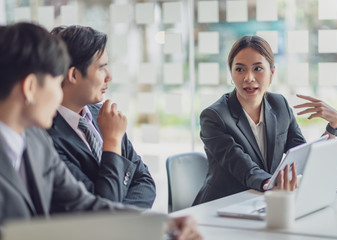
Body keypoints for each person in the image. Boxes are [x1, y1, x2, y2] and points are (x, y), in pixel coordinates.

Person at [0, 22, 202, 240]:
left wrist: (164, 224)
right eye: (56, 82)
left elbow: (84, 205)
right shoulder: (47, 136)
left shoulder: (35, 140)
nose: (60, 94)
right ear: (30, 87)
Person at [193, 35, 337, 205]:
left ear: (272, 72)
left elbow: (302, 155)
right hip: (222, 205)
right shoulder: (214, 116)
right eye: (240, 69)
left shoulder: (279, 105)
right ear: (231, 72)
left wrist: (333, 126)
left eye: (257, 68)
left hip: (263, 202)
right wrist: (271, 184)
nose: (248, 78)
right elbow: (242, 166)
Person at [47, 25, 155, 208]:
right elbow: (100, 209)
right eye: (102, 67)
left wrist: (117, 216)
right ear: (73, 74)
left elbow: (145, 182)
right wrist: (112, 142)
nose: (109, 76)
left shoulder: (103, 116)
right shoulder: (47, 136)